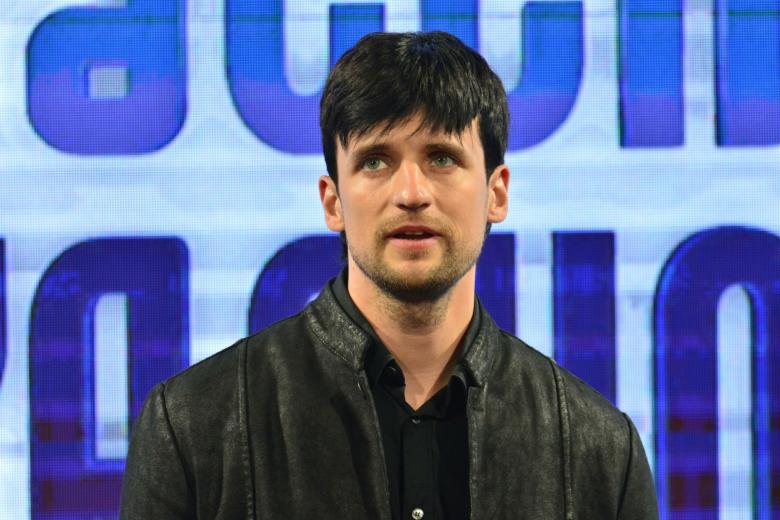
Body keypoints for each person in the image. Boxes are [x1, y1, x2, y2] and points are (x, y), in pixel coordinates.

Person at [120, 31, 658, 519]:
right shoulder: (192, 426)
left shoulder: (600, 451)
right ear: (332, 201)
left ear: (496, 193)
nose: (411, 193)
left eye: (442, 158)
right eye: (375, 161)